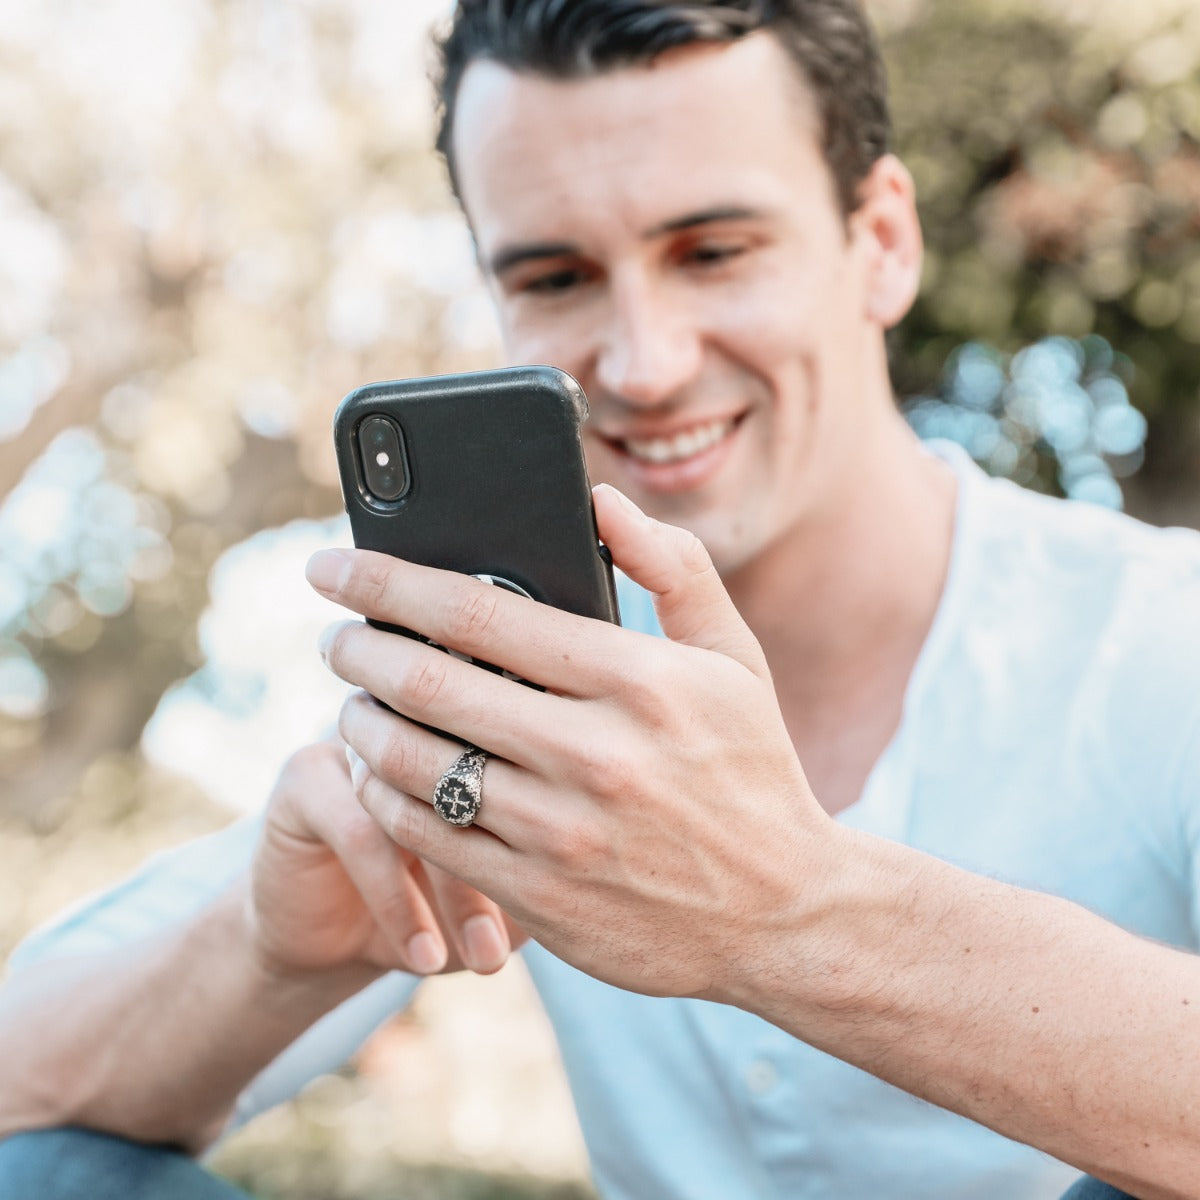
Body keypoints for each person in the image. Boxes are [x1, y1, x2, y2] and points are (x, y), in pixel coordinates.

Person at [1, 2, 1197, 1197]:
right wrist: (268, 961)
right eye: (558, 275)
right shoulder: (496, 699)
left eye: (714, 251)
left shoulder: (1156, 640)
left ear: (881, 238)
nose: (642, 363)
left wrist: (788, 909)